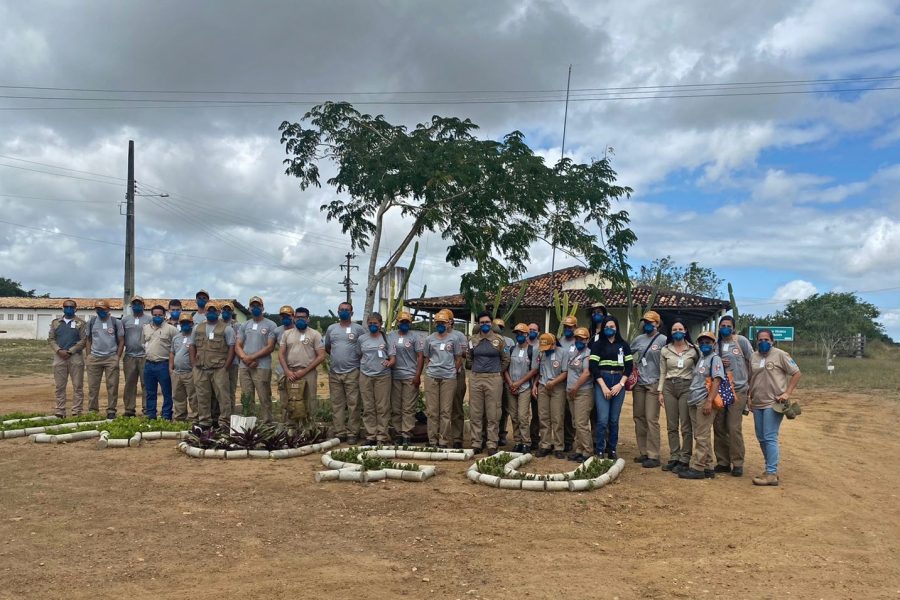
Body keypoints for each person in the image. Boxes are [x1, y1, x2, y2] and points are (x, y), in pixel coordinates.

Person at [748, 329, 801, 486]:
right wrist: (749, 397)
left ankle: (771, 473)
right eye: (760, 340)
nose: (763, 342)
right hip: (757, 402)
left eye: (766, 339)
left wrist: (787, 393)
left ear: (772, 341)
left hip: (774, 403)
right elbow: (751, 378)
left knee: (770, 436)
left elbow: (797, 373)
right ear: (756, 341)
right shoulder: (754, 356)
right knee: (761, 437)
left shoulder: (781, 355)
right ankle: (769, 468)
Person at [679, 331, 724, 480]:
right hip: (694, 399)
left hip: (704, 401)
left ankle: (697, 468)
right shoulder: (702, 358)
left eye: (708, 342)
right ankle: (708, 466)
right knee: (702, 435)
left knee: (701, 436)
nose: (705, 345)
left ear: (714, 344)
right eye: (702, 342)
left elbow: (717, 380)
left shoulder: (715, 359)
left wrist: (709, 401)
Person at [713, 315, 754, 477]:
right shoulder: (715, 344)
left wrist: (750, 386)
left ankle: (737, 462)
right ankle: (722, 462)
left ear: (733, 327)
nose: (725, 328)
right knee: (719, 426)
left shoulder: (741, 341)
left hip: (738, 389)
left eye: (728, 325)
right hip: (719, 390)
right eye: (722, 325)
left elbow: (752, 361)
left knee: (733, 427)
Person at [588, 315, 632, 460]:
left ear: (617, 328)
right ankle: (599, 449)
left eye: (612, 327)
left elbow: (629, 366)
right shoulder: (597, 344)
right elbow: (593, 367)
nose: (609, 329)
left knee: (614, 419)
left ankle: (612, 448)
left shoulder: (623, 345)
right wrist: (604, 387)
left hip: (619, 381)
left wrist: (620, 384)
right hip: (602, 381)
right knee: (602, 419)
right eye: (606, 327)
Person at [658, 319, 698, 473]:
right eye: (674, 330)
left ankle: (685, 458)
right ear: (670, 332)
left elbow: (698, 370)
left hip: (686, 386)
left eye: (680, 329)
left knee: (686, 425)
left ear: (685, 331)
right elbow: (662, 371)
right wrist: (660, 391)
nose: (677, 332)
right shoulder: (665, 350)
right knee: (671, 425)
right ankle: (674, 456)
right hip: (669, 386)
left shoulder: (694, 350)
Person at [467, 311, 509, 455]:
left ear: (491, 324)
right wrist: (476, 369)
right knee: (476, 412)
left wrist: (497, 371)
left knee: (493, 412)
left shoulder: (499, 340)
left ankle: (492, 443)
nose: (484, 325)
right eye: (482, 322)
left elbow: (506, 359)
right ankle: (476, 443)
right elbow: (469, 358)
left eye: (487, 322)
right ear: (479, 324)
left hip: (494, 378)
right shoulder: (473, 340)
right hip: (476, 378)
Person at [324, 302, 365, 444]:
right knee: (337, 404)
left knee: (353, 404)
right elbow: (328, 347)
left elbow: (363, 347)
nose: (344, 312)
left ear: (352, 313)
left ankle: (353, 432)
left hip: (352, 371)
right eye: (341, 310)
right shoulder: (331, 329)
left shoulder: (358, 329)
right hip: (335, 372)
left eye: (347, 310)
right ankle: (340, 432)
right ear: (337, 311)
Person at [629, 310, 667, 468]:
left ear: (657, 324)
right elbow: (628, 354)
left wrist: (662, 387)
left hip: (654, 383)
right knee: (639, 417)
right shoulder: (638, 339)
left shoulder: (664, 340)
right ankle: (643, 451)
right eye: (645, 321)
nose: (648, 324)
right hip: (640, 383)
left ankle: (654, 454)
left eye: (651, 322)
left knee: (651, 418)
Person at [278, 306, 326, 429]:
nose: (300, 320)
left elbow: (321, 356)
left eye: (303, 317)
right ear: (293, 318)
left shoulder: (315, 334)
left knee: (309, 400)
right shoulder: (286, 334)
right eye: (298, 317)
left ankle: (308, 429)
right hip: (290, 372)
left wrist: (304, 371)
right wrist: (287, 371)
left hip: (307, 372)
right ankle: (291, 429)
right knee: (290, 400)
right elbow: (281, 354)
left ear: (308, 319)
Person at [190, 302, 235, 430]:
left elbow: (232, 347)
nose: (211, 313)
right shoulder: (197, 328)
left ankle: (224, 422)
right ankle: (204, 421)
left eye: (213, 311)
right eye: (208, 310)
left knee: (223, 396)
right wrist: (193, 363)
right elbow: (192, 345)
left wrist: (226, 366)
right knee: (202, 395)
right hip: (200, 368)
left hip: (219, 368)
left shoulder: (227, 328)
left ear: (218, 312)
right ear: (205, 312)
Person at [422, 311, 461, 447]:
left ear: (448, 323)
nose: (440, 325)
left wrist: (452, 371)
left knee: (445, 411)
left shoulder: (454, 339)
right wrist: (432, 367)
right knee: (432, 411)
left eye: (442, 323)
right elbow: (426, 357)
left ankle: (443, 440)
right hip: (432, 376)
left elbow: (458, 358)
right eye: (438, 323)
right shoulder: (429, 339)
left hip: (448, 378)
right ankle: (432, 440)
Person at [236, 296, 277, 423]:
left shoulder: (270, 324)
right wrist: (245, 358)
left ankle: (267, 422)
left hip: (262, 366)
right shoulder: (244, 325)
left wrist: (252, 358)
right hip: (245, 366)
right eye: (253, 306)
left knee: (264, 396)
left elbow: (270, 347)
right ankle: (249, 422)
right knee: (247, 396)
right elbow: (238, 345)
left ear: (262, 308)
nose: (255, 308)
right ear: (249, 308)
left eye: (258, 306)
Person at [388, 311, 424, 445]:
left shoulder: (416, 337)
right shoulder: (390, 336)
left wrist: (417, 375)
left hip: (410, 376)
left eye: (407, 322)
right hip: (395, 376)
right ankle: (398, 433)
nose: (404, 324)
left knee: (408, 407)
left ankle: (407, 434)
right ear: (398, 322)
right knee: (396, 407)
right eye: (402, 322)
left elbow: (420, 356)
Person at [359, 313, 396, 445]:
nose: (373, 326)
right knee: (368, 407)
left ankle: (382, 436)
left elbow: (392, 358)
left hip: (382, 376)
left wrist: (389, 363)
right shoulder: (362, 339)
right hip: (365, 375)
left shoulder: (386, 339)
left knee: (382, 407)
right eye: (370, 323)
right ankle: (370, 435)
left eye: (375, 323)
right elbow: (359, 355)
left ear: (380, 324)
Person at [85, 299, 124, 418]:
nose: (100, 311)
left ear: (108, 310)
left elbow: (122, 340)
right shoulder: (91, 321)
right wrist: (88, 356)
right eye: (98, 309)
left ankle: (111, 410)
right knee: (93, 386)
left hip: (111, 358)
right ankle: (92, 410)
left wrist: (117, 357)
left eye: (102, 309)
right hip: (95, 358)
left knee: (112, 386)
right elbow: (88, 339)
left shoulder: (115, 322)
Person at [47, 299, 87, 418]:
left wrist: (70, 351)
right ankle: (60, 410)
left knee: (78, 386)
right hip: (59, 357)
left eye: (71, 307)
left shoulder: (81, 323)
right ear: (63, 308)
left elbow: (84, 340)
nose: (69, 309)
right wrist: (59, 350)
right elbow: (51, 339)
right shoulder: (56, 323)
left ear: (75, 309)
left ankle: (77, 411)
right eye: (66, 306)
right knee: (60, 386)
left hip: (76, 357)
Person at [503, 323, 537, 452]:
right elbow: (504, 368)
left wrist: (519, 383)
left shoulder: (532, 350)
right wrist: (511, 383)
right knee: (514, 415)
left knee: (523, 416)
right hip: (510, 386)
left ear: (527, 334)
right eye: (517, 333)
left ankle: (526, 442)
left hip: (525, 387)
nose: (519, 336)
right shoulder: (511, 349)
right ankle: (517, 441)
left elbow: (534, 370)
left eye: (522, 333)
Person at [533, 332, 568, 458]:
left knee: (557, 418)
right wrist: (535, 385)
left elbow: (565, 372)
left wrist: (553, 382)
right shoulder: (541, 352)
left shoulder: (563, 353)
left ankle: (559, 446)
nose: (545, 350)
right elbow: (538, 371)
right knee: (543, 417)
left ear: (554, 344)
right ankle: (545, 445)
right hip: (543, 385)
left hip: (557, 387)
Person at [142, 304, 178, 420]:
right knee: (150, 392)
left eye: (160, 315)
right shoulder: (146, 328)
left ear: (164, 315)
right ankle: (151, 415)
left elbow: (177, 345)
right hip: (149, 364)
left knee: (167, 392)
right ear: (152, 315)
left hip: (164, 364)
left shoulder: (171, 329)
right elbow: (143, 343)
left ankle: (166, 415)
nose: (157, 317)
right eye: (155, 315)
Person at [565, 327, 594, 462]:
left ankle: (587, 451)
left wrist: (576, 388)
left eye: (582, 339)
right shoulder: (572, 351)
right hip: (571, 391)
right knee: (575, 422)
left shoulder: (588, 353)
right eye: (577, 338)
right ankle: (579, 449)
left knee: (582, 423)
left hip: (583, 391)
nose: (579, 341)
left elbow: (586, 373)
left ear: (587, 339)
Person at [122, 295, 150, 418]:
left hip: (145, 356)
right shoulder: (125, 320)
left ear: (143, 305)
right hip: (129, 356)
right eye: (134, 304)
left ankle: (147, 408)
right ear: (131, 306)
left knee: (146, 383)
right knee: (129, 383)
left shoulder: (149, 320)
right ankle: (129, 409)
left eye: (139, 304)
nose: (137, 306)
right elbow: (121, 337)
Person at [444, 309, 469, 449]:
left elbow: (465, 354)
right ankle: (442, 437)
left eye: (445, 320)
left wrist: (456, 353)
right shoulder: (435, 336)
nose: (441, 323)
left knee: (456, 406)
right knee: (442, 409)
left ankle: (457, 438)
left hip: (456, 374)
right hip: (440, 376)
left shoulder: (459, 336)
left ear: (451, 321)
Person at [170, 312, 197, 422]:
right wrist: (170, 368)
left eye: (187, 323)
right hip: (177, 373)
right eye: (183, 323)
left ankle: (195, 418)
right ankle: (180, 418)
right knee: (178, 397)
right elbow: (172, 353)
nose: (185, 324)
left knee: (193, 397)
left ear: (192, 324)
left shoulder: (195, 337)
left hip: (190, 372)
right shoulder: (176, 338)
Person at [558, 315, 579, 453]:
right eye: (565, 327)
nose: (567, 329)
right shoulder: (560, 341)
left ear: (575, 327)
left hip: (575, 382)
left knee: (574, 414)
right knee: (562, 412)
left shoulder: (579, 342)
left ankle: (571, 440)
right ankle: (565, 441)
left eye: (570, 327)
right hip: (561, 381)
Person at [492, 317, 514, 447]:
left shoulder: (509, 341)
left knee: (504, 409)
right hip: (491, 378)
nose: (498, 329)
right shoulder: (487, 340)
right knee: (491, 408)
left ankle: (501, 435)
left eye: (501, 327)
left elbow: (508, 360)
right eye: (496, 327)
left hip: (504, 378)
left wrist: (503, 373)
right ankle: (489, 435)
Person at [273, 305, 295, 419]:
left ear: (293, 316)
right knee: (284, 397)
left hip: (296, 369)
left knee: (297, 396)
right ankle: (286, 421)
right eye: (283, 316)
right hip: (282, 370)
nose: (285, 318)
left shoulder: (299, 329)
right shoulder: (277, 331)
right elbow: (272, 347)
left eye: (288, 316)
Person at [220, 302, 242, 410]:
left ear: (232, 312)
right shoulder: (218, 323)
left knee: (231, 388)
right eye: (224, 310)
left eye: (229, 310)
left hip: (233, 362)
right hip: (219, 362)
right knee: (221, 389)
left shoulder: (236, 325)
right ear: (221, 311)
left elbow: (238, 343)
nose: (226, 312)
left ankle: (231, 411)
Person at [527, 322, 542, 445]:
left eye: (534, 330)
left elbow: (539, 369)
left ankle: (534, 438)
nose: (531, 331)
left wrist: (535, 384)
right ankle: (523, 438)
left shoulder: (541, 346)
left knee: (537, 413)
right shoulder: (519, 345)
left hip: (535, 383)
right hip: (522, 385)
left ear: (538, 332)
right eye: (529, 329)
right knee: (521, 413)